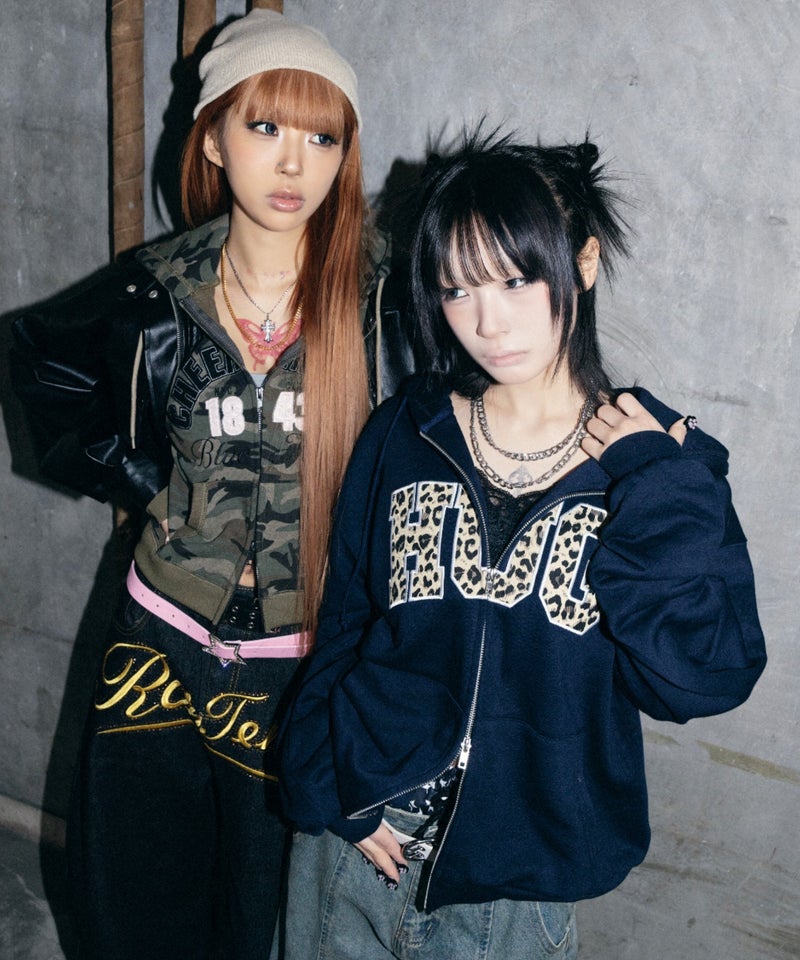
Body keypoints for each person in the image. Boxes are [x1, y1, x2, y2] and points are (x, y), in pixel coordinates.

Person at [276, 131, 767, 960]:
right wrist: (326, 782)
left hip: (517, 892)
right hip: (354, 846)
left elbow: (700, 678)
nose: (487, 322)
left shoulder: (659, 468)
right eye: (457, 289)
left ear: (583, 261)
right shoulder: (406, 433)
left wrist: (655, 481)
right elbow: (348, 618)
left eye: (515, 279)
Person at [11, 9, 413, 959]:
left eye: (323, 137)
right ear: (214, 138)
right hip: (158, 637)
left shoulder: (381, 294)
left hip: (299, 661)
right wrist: (140, 474)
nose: (293, 162)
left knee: (265, 913)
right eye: (265, 126)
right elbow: (38, 365)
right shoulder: (155, 285)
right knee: (136, 895)